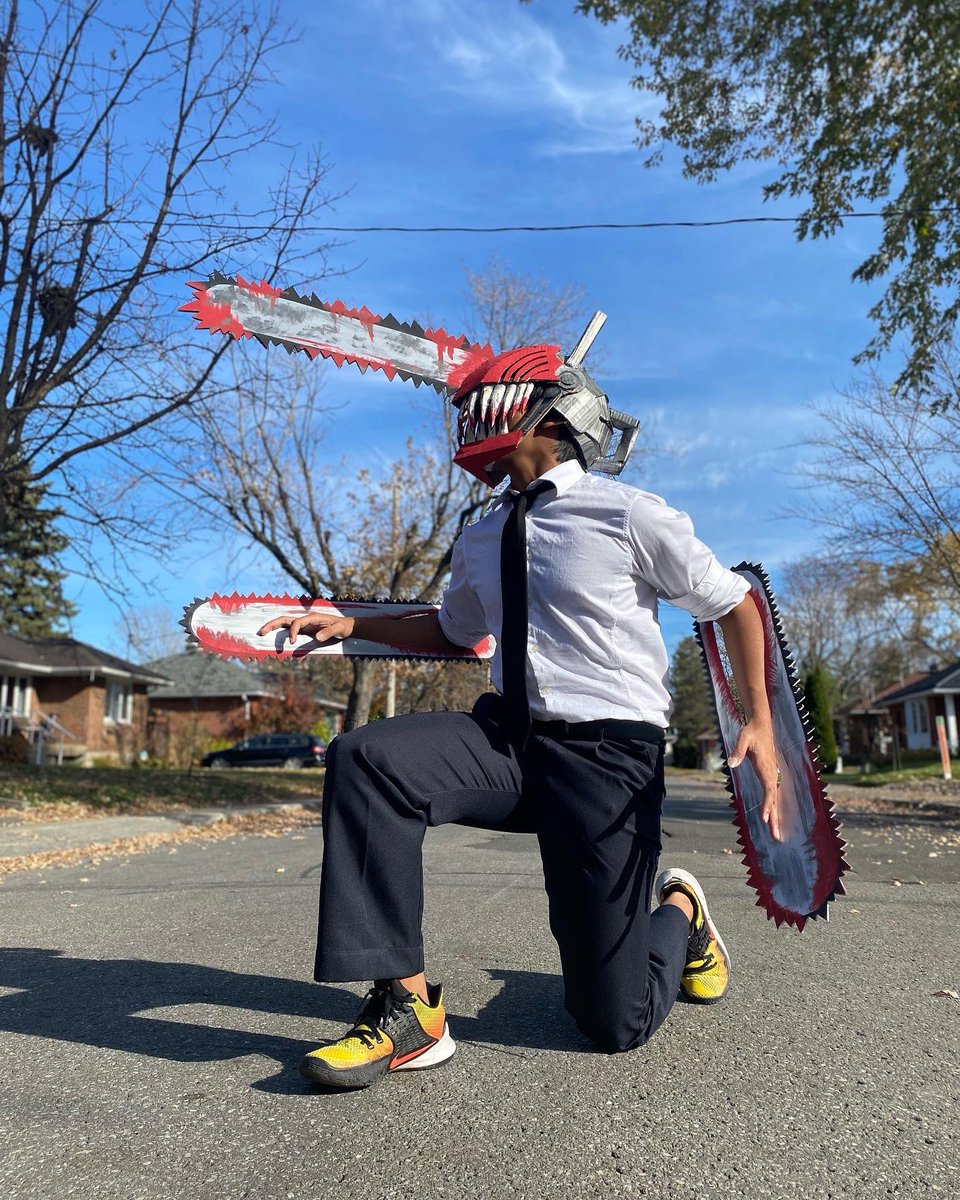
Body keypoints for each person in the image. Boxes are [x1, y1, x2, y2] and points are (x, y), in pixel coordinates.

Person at [259, 375, 780, 1092]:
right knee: (369, 760)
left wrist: (759, 721)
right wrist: (355, 624)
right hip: (508, 743)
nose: (471, 417)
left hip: (608, 759)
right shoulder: (481, 535)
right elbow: (452, 630)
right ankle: (409, 1009)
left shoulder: (628, 515)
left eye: (492, 399)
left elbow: (733, 604)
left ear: (551, 413)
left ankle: (681, 912)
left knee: (613, 1022)